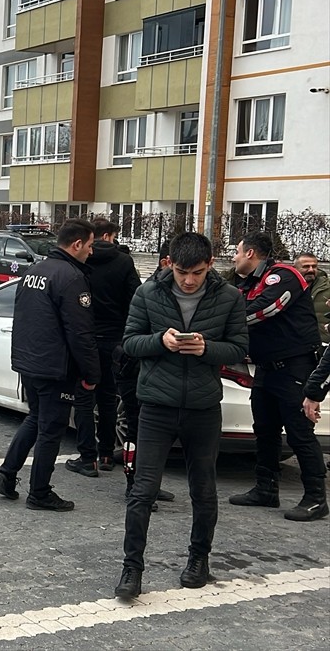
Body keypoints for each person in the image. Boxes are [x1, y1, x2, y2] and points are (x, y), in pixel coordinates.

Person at [114, 232, 249, 599]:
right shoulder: (148, 293)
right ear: (169, 264)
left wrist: (206, 348)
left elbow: (239, 347)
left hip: (203, 408)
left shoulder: (229, 297)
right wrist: (161, 341)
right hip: (157, 405)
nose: (189, 280)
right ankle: (132, 569)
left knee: (203, 490)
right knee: (142, 491)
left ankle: (198, 560)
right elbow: (129, 342)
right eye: (182, 272)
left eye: (198, 272)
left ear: (211, 265)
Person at [0, 218, 99, 511]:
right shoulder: (72, 278)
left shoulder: (34, 271)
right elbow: (80, 332)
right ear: (76, 244)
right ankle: (39, 492)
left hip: (30, 362)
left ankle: (7, 474)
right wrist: (91, 373)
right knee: (51, 429)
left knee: (36, 419)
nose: (91, 252)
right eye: (89, 246)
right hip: (55, 368)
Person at [228, 232, 326, 522]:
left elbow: (264, 310)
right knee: (265, 429)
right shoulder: (247, 282)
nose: (233, 257)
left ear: (250, 253)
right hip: (267, 368)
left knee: (299, 433)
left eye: (236, 251)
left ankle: (316, 499)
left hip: (295, 367)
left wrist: (226, 323)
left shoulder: (284, 275)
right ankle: (265, 489)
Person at [66, 219, 141, 477]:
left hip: (85, 338)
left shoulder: (79, 261)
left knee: (84, 398)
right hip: (114, 339)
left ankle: (88, 456)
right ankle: (107, 453)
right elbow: (136, 299)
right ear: (108, 236)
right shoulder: (123, 262)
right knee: (109, 397)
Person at [114, 241, 177, 510]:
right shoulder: (149, 292)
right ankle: (135, 485)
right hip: (133, 367)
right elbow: (134, 335)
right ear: (166, 262)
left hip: (157, 371)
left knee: (158, 431)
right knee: (137, 428)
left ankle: (148, 482)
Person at [294, 252, 330, 345]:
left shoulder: (328, 287)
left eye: (314, 266)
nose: (311, 270)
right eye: (306, 266)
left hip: (324, 345)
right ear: (295, 268)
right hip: (295, 346)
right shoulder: (285, 288)